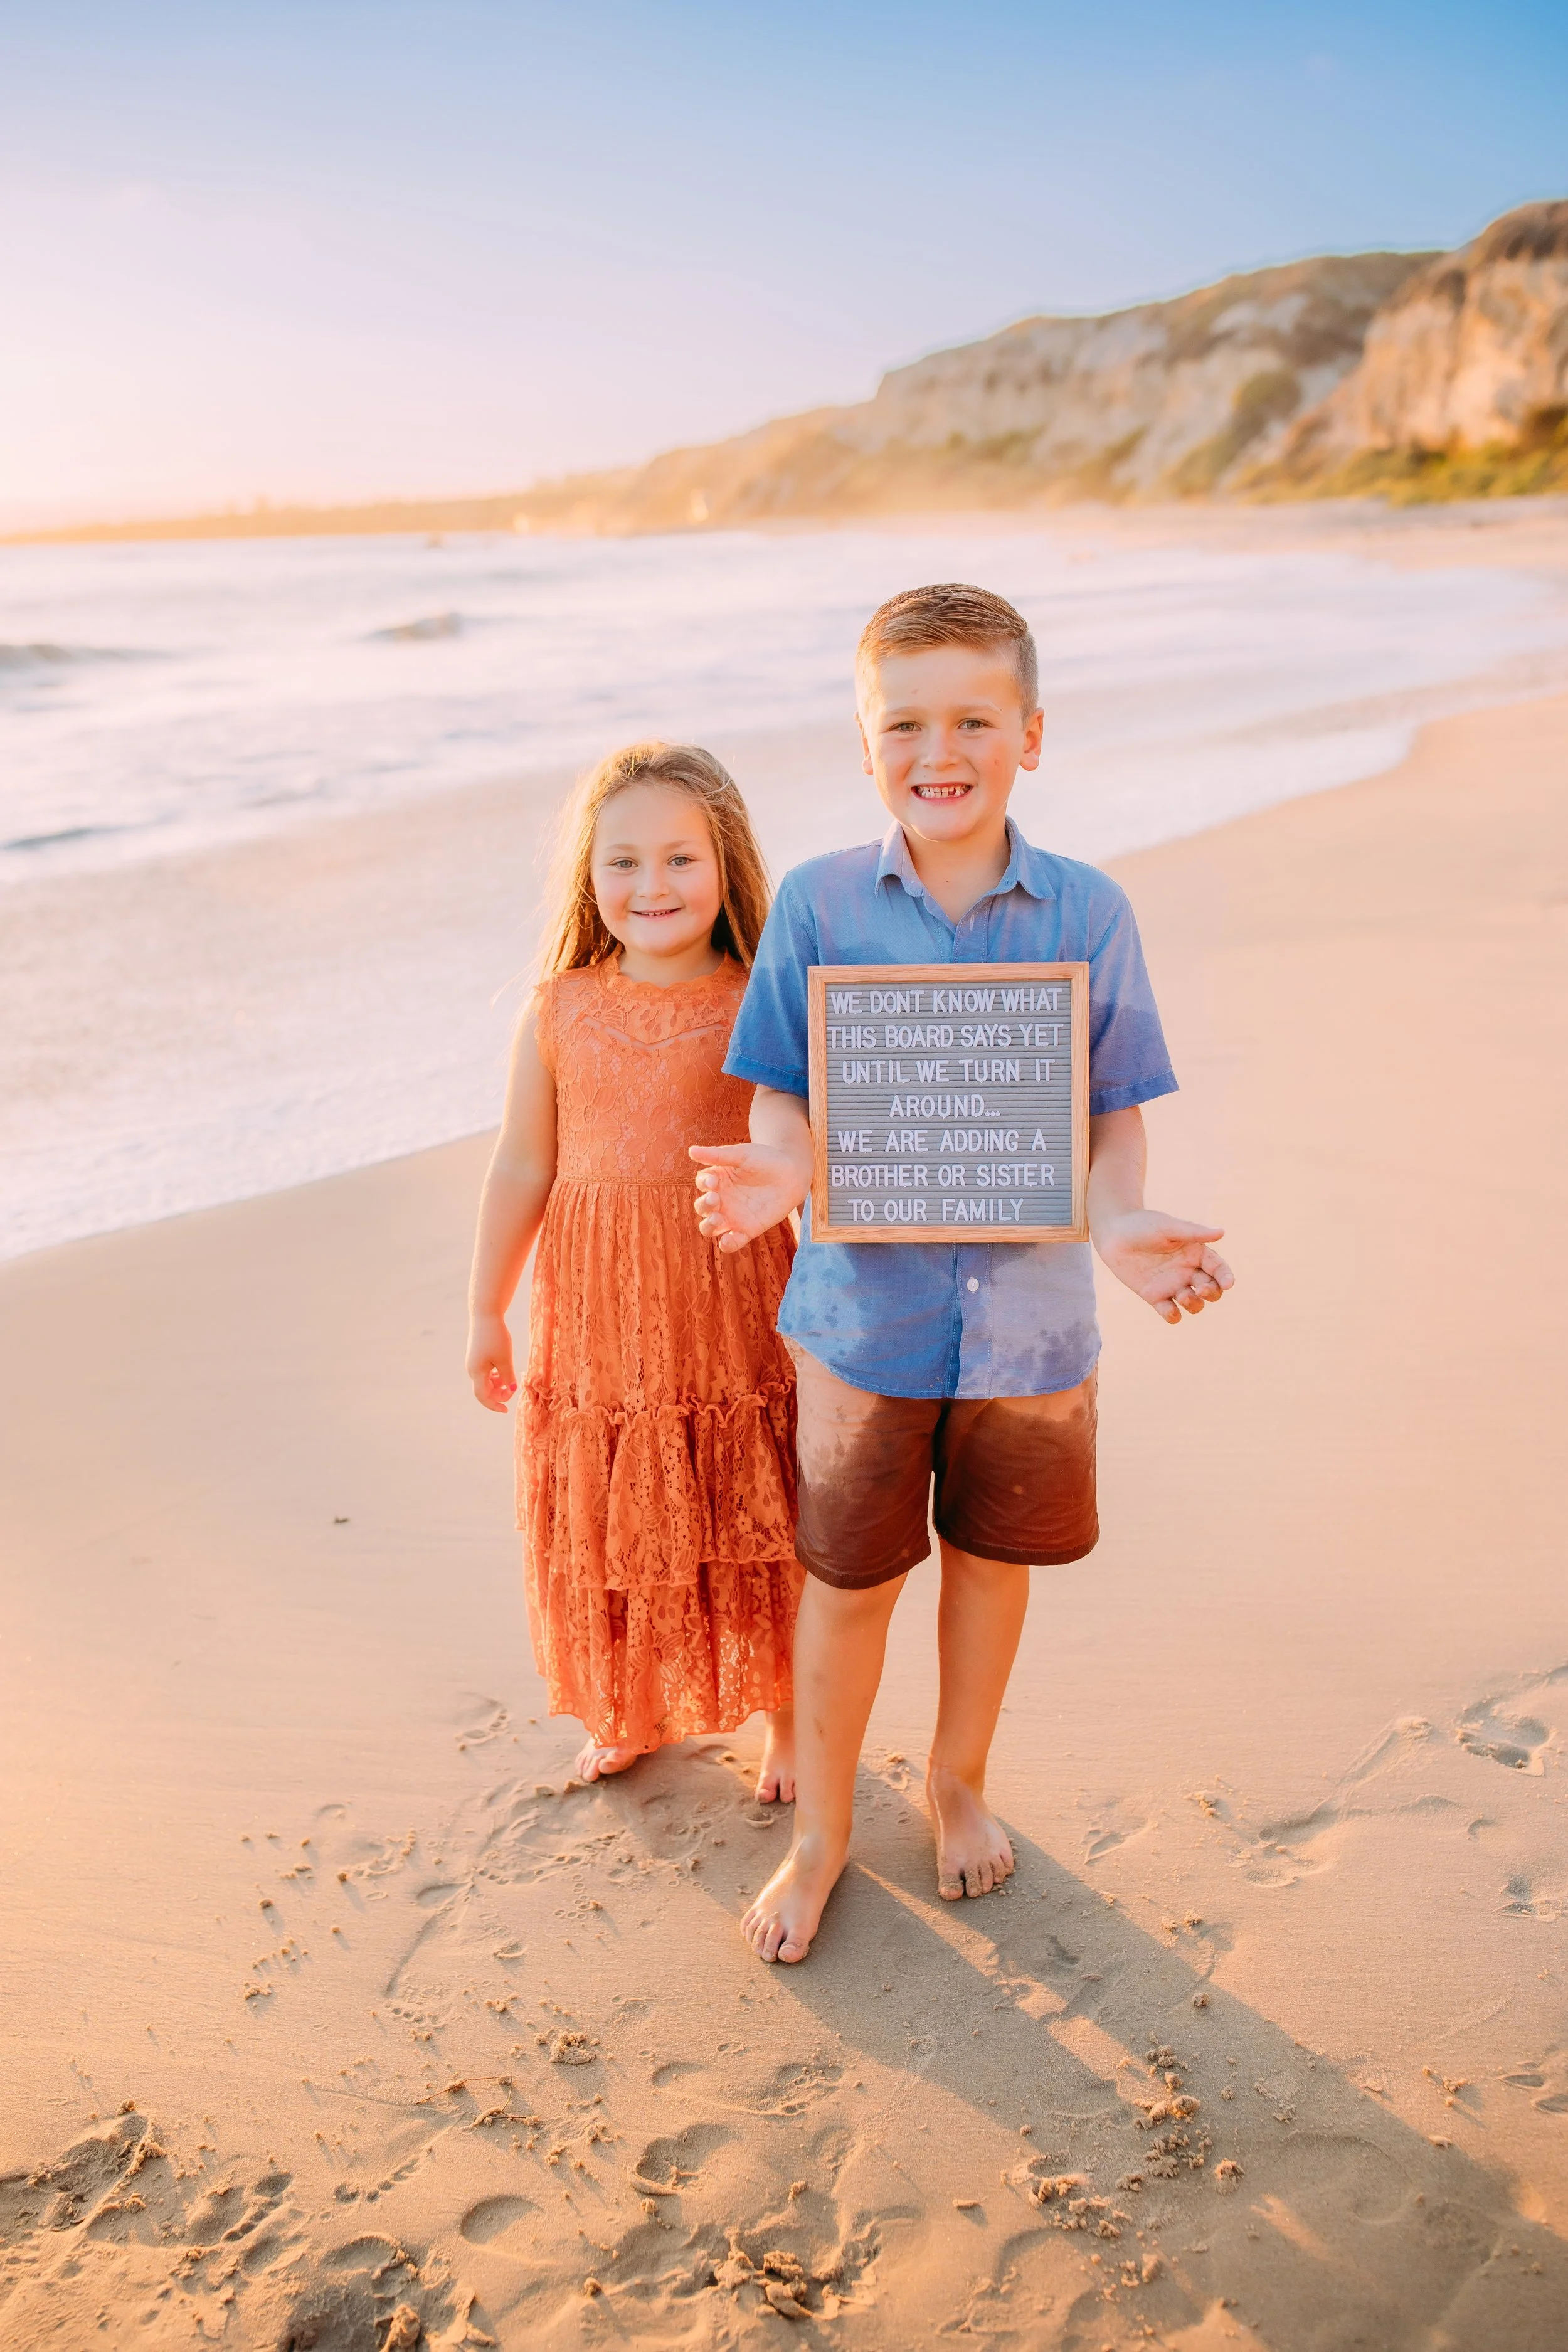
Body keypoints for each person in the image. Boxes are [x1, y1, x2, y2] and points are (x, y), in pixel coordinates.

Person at [691, 585, 1234, 1961]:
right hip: (861, 1325)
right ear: (864, 743)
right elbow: (781, 1094)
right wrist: (781, 1170)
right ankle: (820, 1834)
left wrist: (1115, 1224)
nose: (941, 748)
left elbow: (1114, 1108)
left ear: (1030, 735)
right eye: (905, 722)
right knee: (850, 1578)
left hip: (1031, 1326)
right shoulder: (816, 905)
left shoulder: (1086, 910)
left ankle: (956, 1780)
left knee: (993, 1566)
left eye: (974, 719)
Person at [467, 741, 802, 1795]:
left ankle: (792, 1717)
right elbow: (523, 1161)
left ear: (725, 863)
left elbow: (814, 1144)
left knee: (754, 1507)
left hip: (731, 1293)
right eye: (623, 863)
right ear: (588, 875)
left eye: (678, 859)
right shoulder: (559, 1006)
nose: (651, 886)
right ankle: (633, 1703)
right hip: (596, 1308)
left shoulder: (763, 996)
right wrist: (486, 1308)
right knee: (620, 1515)